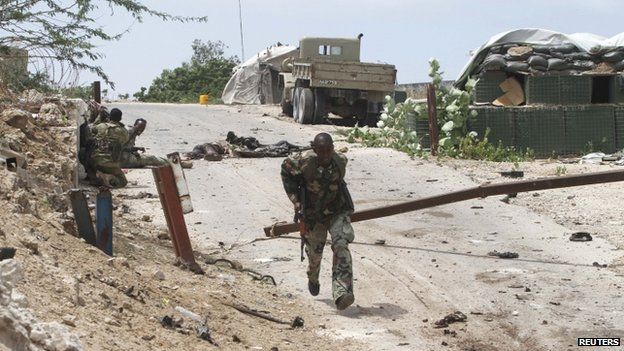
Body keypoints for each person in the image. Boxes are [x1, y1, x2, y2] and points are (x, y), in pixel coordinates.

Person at [280, 132, 355, 310]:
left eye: (329, 150)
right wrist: (296, 200)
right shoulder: (303, 162)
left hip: (337, 210)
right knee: (315, 254)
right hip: (313, 215)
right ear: (314, 149)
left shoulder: (340, 161)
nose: (325, 155)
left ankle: (342, 292)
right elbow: (285, 170)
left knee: (341, 245)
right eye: (321, 151)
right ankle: (313, 277)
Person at [88, 107, 129, 188]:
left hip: (95, 161)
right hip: (110, 163)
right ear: (120, 118)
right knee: (123, 182)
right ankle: (106, 177)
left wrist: (99, 117)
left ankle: (93, 176)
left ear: (109, 117)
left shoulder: (101, 126)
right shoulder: (123, 131)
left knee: (83, 151)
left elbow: (91, 128)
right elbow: (125, 142)